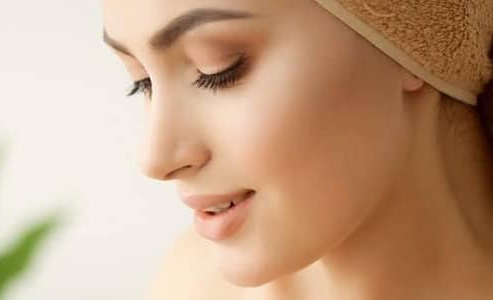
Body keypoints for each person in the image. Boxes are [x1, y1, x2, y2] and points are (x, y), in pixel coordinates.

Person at [100, 0, 493, 299]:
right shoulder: (191, 285)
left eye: (217, 70)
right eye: (142, 82)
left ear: (414, 37)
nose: (155, 158)